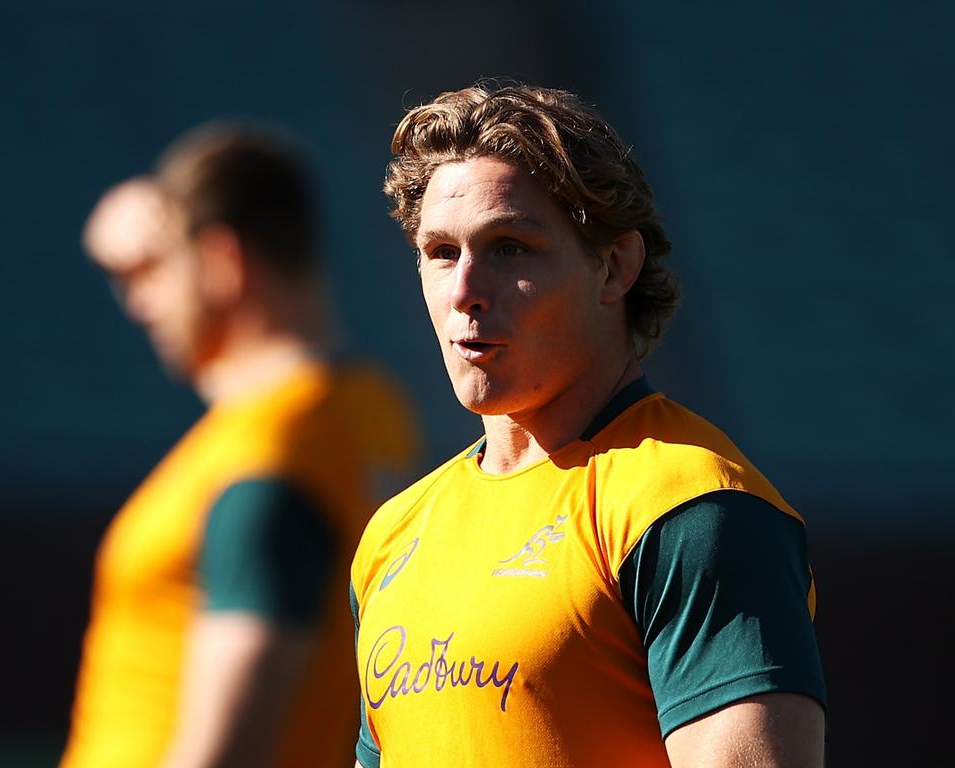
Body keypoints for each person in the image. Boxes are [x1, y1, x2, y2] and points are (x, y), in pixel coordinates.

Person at [349, 83, 827, 767]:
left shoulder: (689, 505)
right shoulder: (393, 536)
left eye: (509, 248)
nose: (464, 291)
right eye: (441, 253)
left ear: (614, 266)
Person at [61, 124, 419, 768]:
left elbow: (224, 751)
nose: (141, 301)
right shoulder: (361, 409)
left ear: (223, 260)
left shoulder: (269, 449)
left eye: (157, 268)